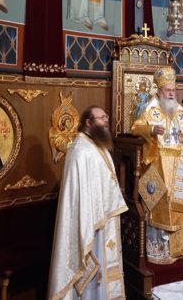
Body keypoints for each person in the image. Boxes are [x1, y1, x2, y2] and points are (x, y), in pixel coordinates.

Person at [131, 66, 183, 264]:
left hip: (182, 167)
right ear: (159, 91)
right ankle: (163, 252)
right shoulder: (150, 109)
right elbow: (135, 128)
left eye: (173, 90)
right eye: (167, 90)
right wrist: (151, 129)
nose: (171, 93)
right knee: (164, 203)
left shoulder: (181, 111)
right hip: (160, 166)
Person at [48, 106, 127, 300]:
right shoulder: (79, 150)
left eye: (106, 116)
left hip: (104, 217)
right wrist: (92, 218)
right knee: (94, 265)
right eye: (101, 118)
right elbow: (80, 196)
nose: (106, 120)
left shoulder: (97, 144)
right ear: (88, 122)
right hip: (90, 222)